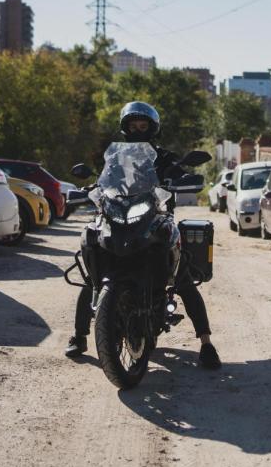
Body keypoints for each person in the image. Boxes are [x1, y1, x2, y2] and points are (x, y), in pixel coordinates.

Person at [64, 101, 222, 370]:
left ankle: (206, 343)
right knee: (92, 275)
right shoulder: (114, 158)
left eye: (143, 126)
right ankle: (79, 336)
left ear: (152, 128)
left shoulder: (164, 157)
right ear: (125, 129)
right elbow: (103, 181)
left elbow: (180, 174)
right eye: (133, 126)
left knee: (181, 277)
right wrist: (91, 187)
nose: (138, 130)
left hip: (155, 216)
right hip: (119, 215)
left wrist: (181, 178)